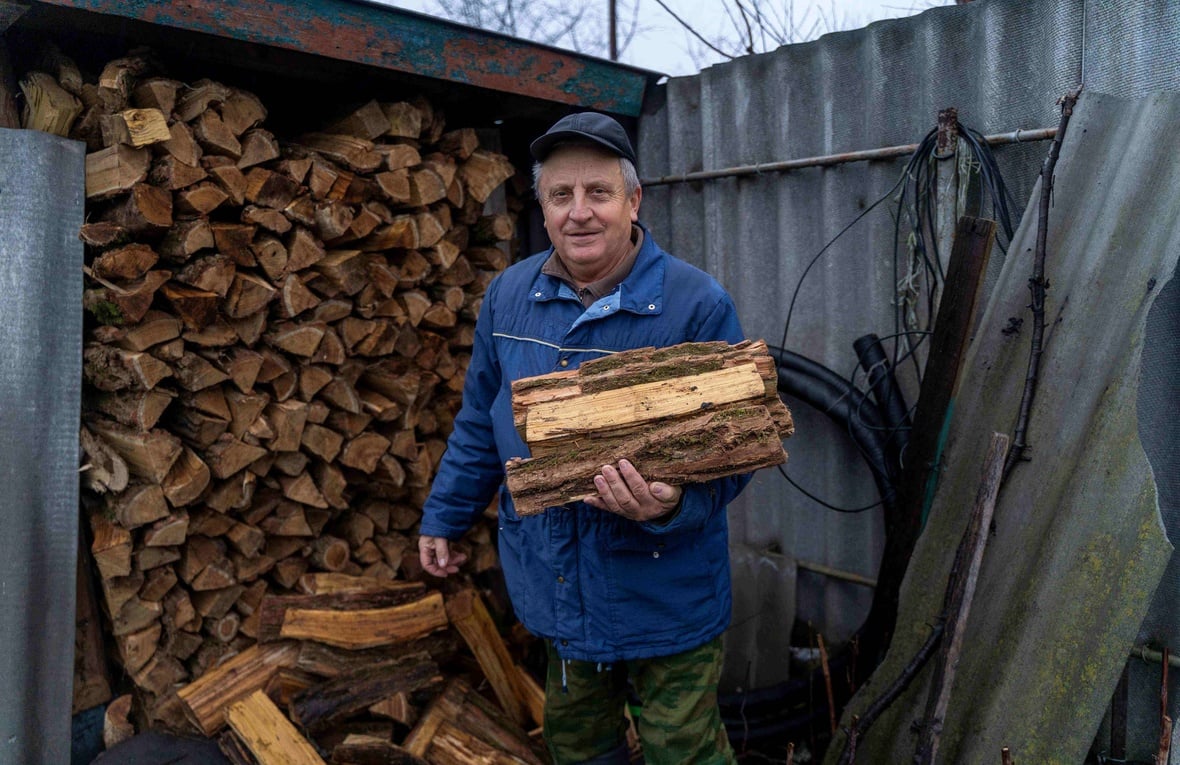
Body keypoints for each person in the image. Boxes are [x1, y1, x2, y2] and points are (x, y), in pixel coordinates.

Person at [418, 111, 750, 765]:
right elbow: (481, 422)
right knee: (579, 746)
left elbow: (739, 446)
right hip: (559, 588)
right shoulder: (510, 298)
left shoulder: (695, 305)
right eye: (560, 195)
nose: (579, 213)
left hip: (665, 590)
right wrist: (445, 514)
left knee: (681, 748)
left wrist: (672, 503)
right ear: (541, 207)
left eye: (597, 193)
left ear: (632, 200)